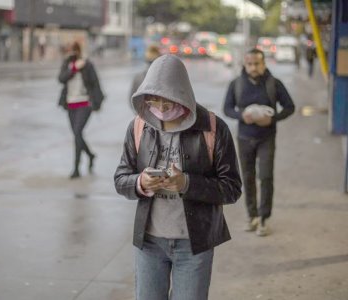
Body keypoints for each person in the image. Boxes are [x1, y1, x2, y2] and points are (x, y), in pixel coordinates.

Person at [114, 54, 241, 300]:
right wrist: (140, 182)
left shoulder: (213, 128)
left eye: (167, 103)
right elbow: (121, 178)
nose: (160, 110)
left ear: (182, 95)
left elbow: (232, 188)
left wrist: (187, 183)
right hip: (149, 243)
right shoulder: (139, 126)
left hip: (193, 245)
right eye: (154, 102)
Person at [223, 48, 295, 236]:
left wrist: (272, 119)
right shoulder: (236, 84)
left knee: (265, 176)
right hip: (244, 138)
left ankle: (264, 218)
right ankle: (252, 215)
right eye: (250, 64)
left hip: (267, 138)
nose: (254, 67)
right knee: (247, 177)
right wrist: (241, 116)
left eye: (257, 63)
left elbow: (290, 107)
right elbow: (227, 108)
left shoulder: (274, 84)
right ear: (245, 65)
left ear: (264, 64)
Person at [58, 41, 104, 179]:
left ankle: (76, 168)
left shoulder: (87, 65)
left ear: (78, 51)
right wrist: (73, 69)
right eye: (69, 51)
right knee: (77, 135)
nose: (71, 53)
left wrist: (97, 103)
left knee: (77, 132)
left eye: (74, 50)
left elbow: (95, 84)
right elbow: (61, 79)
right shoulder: (67, 64)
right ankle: (91, 155)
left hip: (85, 104)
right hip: (70, 105)